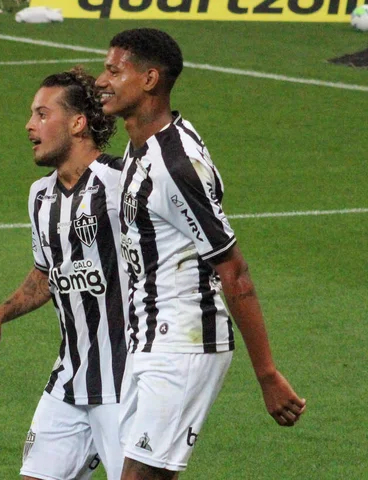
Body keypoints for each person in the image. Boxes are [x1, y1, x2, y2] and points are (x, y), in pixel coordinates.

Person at [95, 28, 307, 479]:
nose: (102, 80)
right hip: (147, 339)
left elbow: (235, 272)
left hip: (185, 342)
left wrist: (267, 375)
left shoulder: (175, 167)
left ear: (150, 79)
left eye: (114, 70)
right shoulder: (142, 144)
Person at [0, 67, 128, 480]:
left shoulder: (121, 185)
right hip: (70, 378)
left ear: (77, 124)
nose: (29, 125)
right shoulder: (40, 196)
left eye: (42, 114)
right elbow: (47, 273)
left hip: (128, 385)